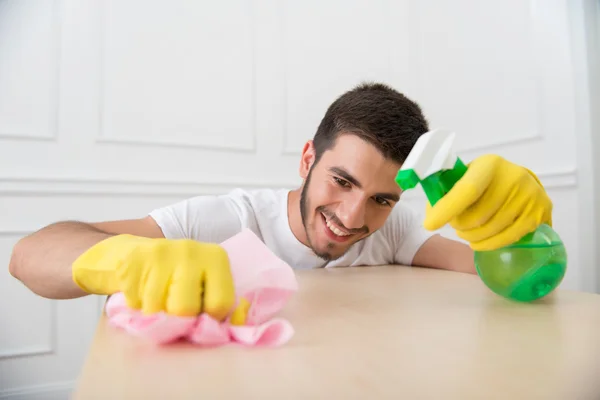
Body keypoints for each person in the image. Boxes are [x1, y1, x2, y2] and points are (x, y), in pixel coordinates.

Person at [8, 82, 553, 323]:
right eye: (341, 181)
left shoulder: (394, 228)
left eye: (382, 199)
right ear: (306, 159)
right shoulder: (228, 218)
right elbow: (30, 254)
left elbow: (494, 274)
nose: (353, 217)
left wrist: (523, 235)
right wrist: (124, 259)